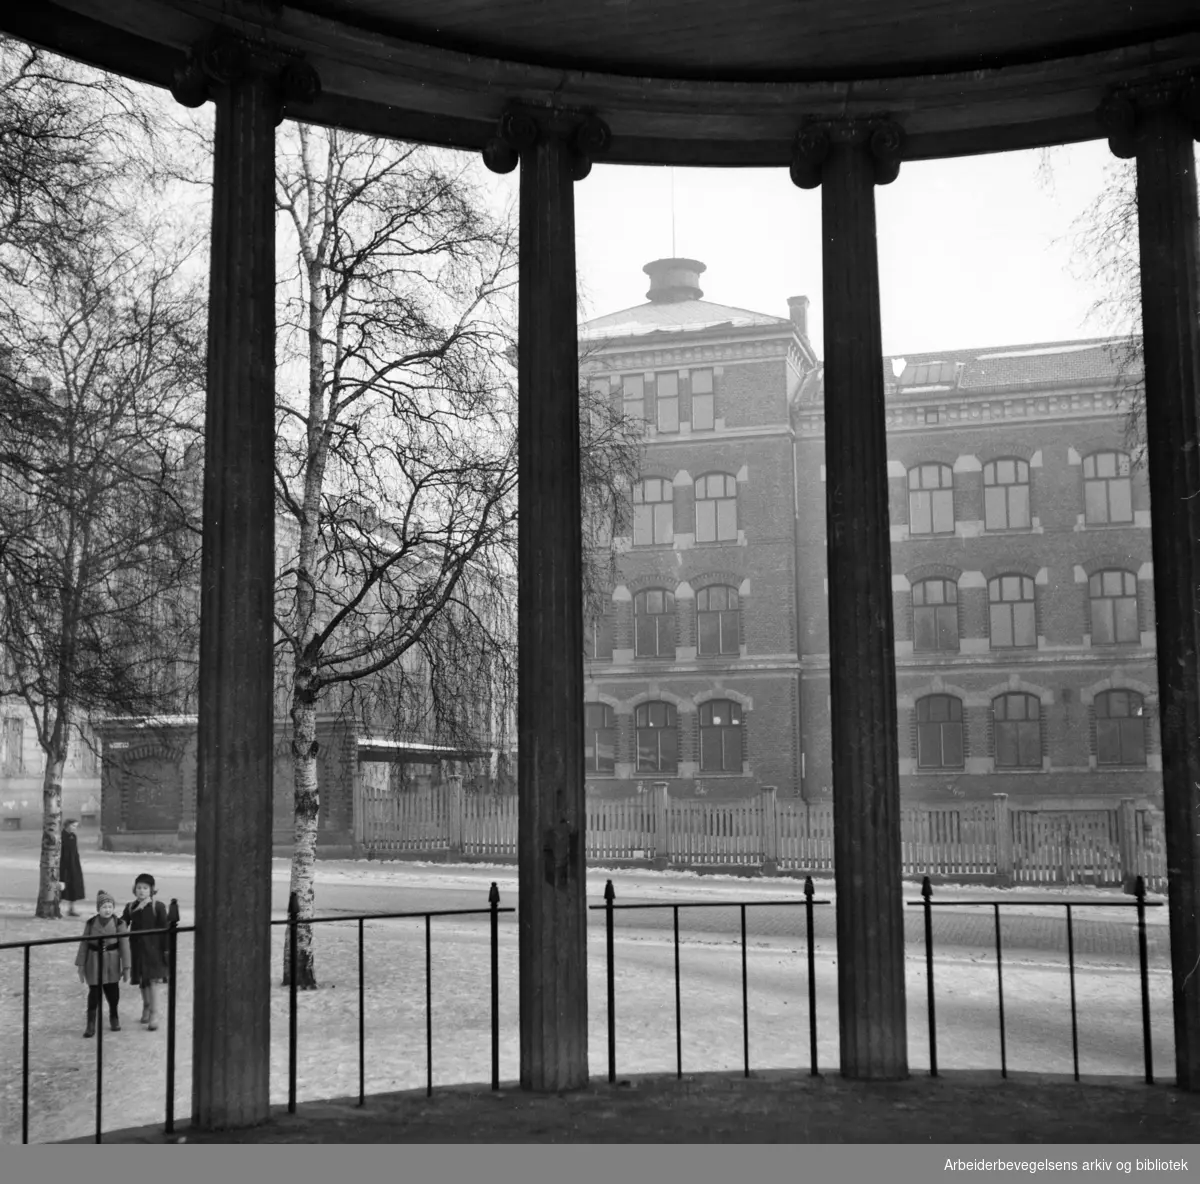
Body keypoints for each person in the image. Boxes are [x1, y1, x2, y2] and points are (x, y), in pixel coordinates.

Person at [75, 890, 130, 1038]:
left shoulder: (119, 924)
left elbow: (124, 946)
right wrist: (80, 965)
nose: (107, 910)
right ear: (98, 909)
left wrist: (126, 967)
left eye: (110, 906)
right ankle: (91, 1022)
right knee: (94, 993)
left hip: (111, 961)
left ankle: (114, 1015)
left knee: (113, 992)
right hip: (94, 961)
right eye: (104, 907)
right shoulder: (91, 923)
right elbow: (84, 944)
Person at [121, 873, 170, 1031]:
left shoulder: (158, 907)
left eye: (145, 888)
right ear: (134, 890)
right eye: (139, 888)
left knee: (153, 981)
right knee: (142, 981)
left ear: (152, 890)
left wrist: (166, 950)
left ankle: (154, 1013)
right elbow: (123, 924)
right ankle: (146, 1006)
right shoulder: (131, 907)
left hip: (154, 950)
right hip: (137, 949)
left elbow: (165, 929)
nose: (141, 891)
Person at [59, 819, 86, 917]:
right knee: (61, 887)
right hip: (63, 865)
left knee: (73, 887)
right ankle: (56, 907)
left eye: (76, 826)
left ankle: (71, 908)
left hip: (73, 865)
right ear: (67, 825)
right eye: (73, 826)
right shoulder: (61, 837)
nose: (75, 828)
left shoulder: (73, 836)